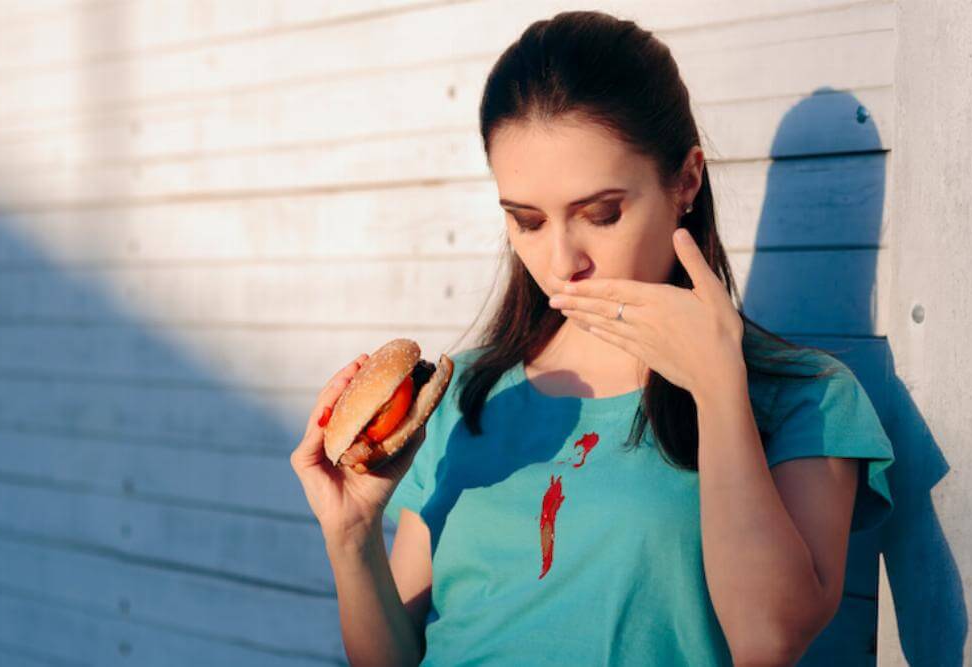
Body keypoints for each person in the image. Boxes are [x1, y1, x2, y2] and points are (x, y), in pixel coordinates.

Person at [290, 10, 895, 666]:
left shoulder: (799, 395)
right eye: (526, 220)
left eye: (600, 213)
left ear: (686, 180)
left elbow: (769, 639)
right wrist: (351, 539)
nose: (561, 260)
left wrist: (718, 386)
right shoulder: (463, 393)